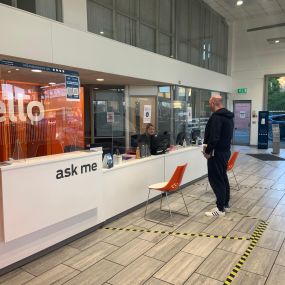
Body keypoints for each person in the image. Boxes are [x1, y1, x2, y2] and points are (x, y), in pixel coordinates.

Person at [202, 95, 234, 217]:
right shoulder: (229, 117)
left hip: (216, 153)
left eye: (210, 103)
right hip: (225, 152)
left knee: (216, 179)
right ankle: (225, 205)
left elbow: (214, 137)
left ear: (214, 103)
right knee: (223, 177)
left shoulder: (216, 117)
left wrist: (208, 151)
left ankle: (220, 209)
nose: (209, 106)